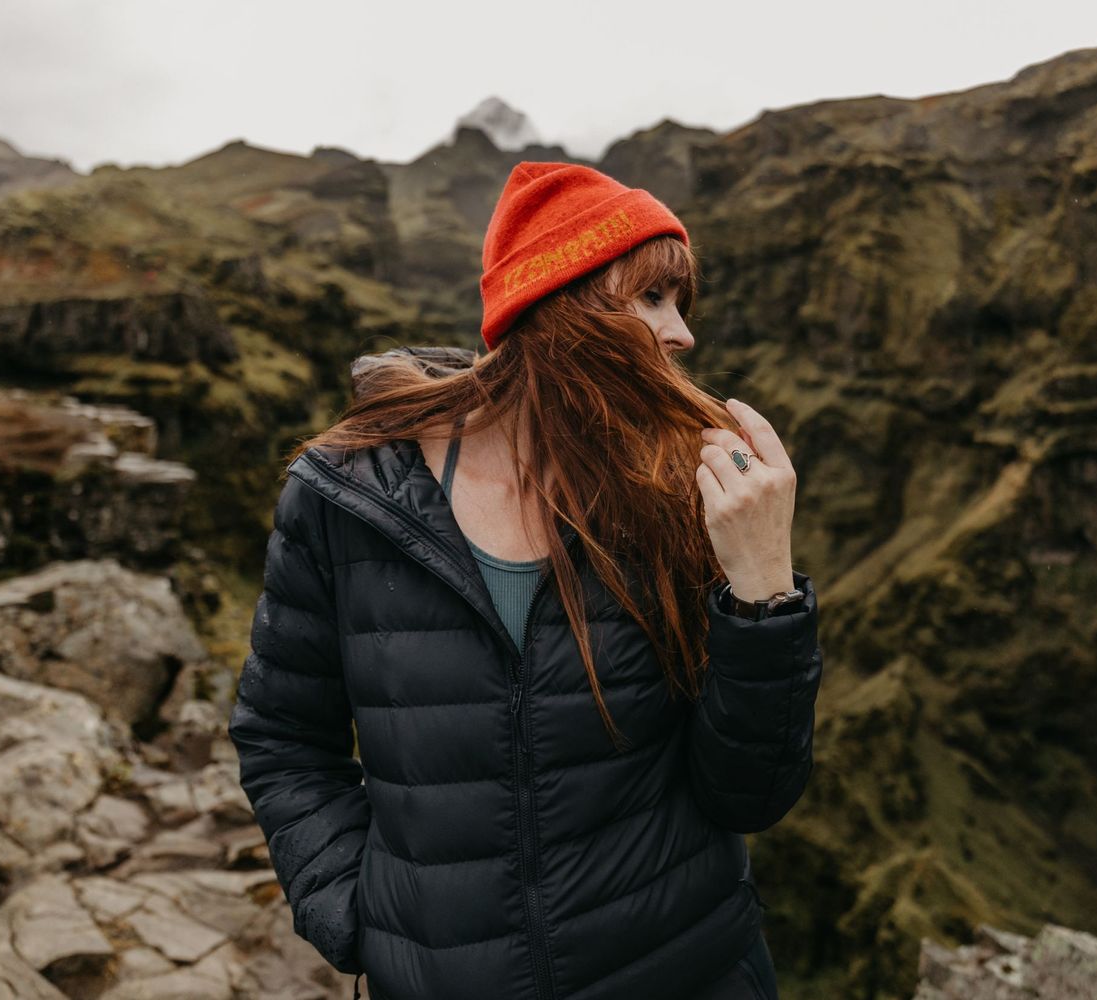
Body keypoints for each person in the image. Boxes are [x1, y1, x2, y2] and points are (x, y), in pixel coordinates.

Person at [228, 161, 824, 1000]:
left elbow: (749, 795)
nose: (683, 334)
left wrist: (764, 593)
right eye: (653, 298)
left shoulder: (678, 491)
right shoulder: (346, 499)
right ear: (560, 304)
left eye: (681, 304)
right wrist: (358, 916)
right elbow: (283, 737)